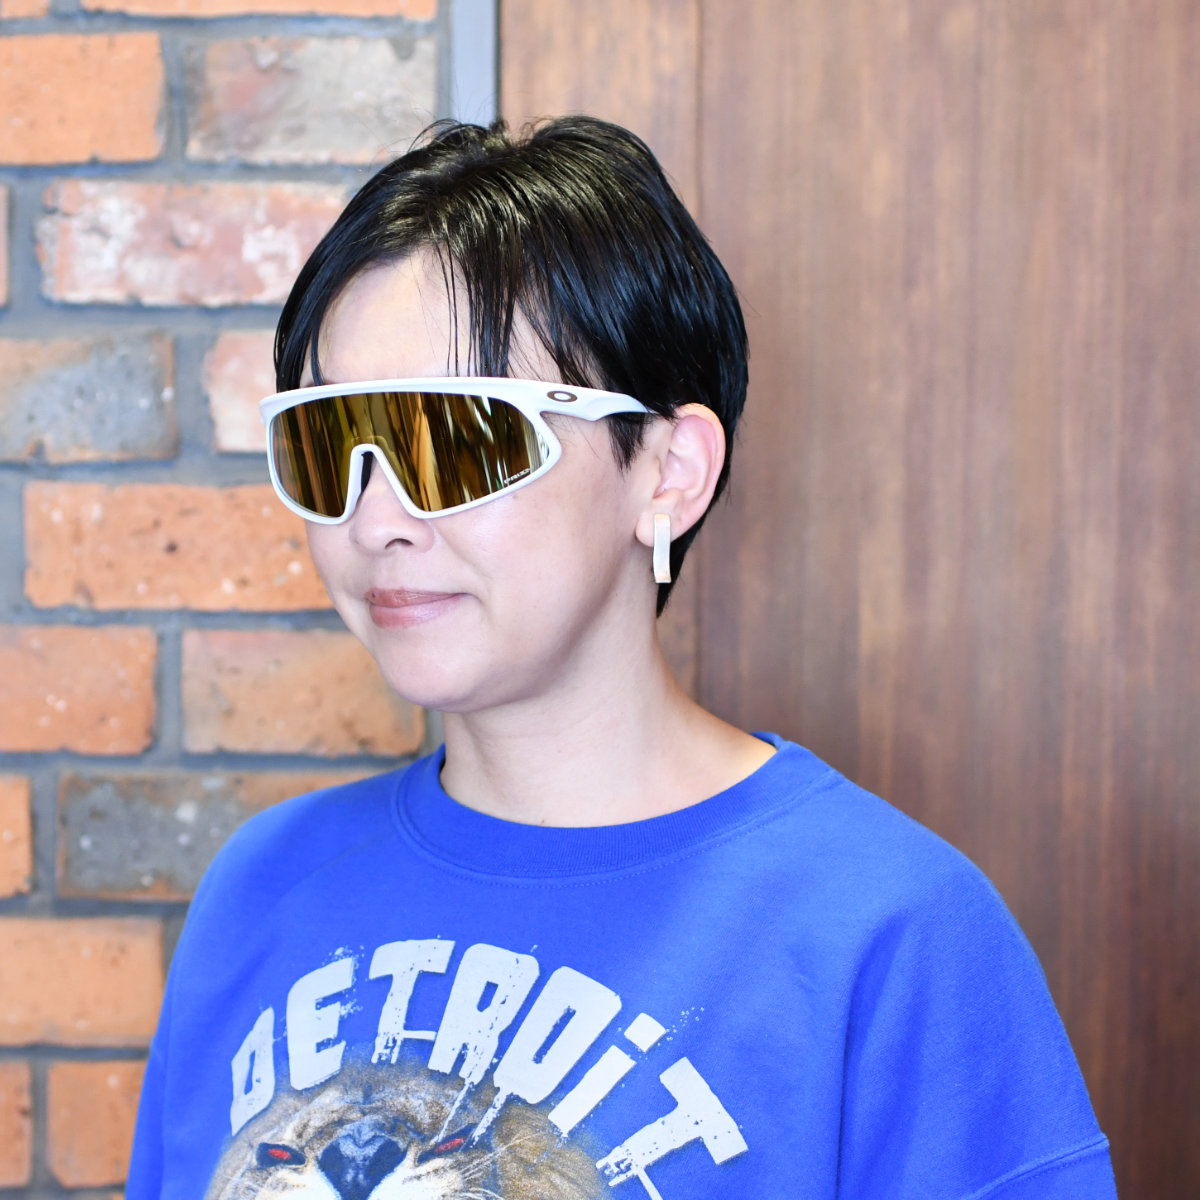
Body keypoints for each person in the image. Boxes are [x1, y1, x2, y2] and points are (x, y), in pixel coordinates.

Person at [127, 116, 1117, 1200]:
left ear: (669, 471)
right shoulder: (263, 890)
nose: (377, 519)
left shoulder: (891, 933)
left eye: (458, 440)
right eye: (330, 444)